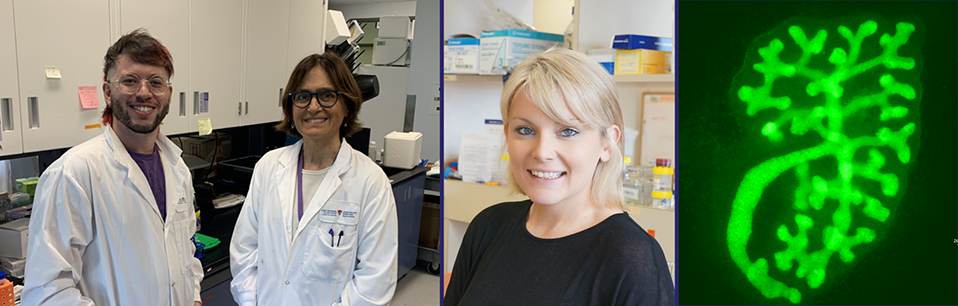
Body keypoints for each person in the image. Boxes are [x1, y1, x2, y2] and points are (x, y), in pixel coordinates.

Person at [444, 47, 675, 306]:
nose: (542, 152)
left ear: (607, 144)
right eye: (525, 129)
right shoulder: (488, 227)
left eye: (567, 131)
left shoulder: (633, 260)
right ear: (507, 134)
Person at [22, 29, 203, 306]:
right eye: (129, 81)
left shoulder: (178, 168)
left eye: (156, 82)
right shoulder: (73, 173)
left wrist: (194, 299)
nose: (144, 92)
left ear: (168, 93)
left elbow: (185, 253)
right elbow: (46, 291)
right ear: (108, 91)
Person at [229, 52, 398, 306]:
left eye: (327, 95)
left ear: (347, 106)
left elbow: (375, 282)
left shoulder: (370, 181)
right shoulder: (269, 167)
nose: (313, 107)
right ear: (291, 106)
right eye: (303, 96)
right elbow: (245, 250)